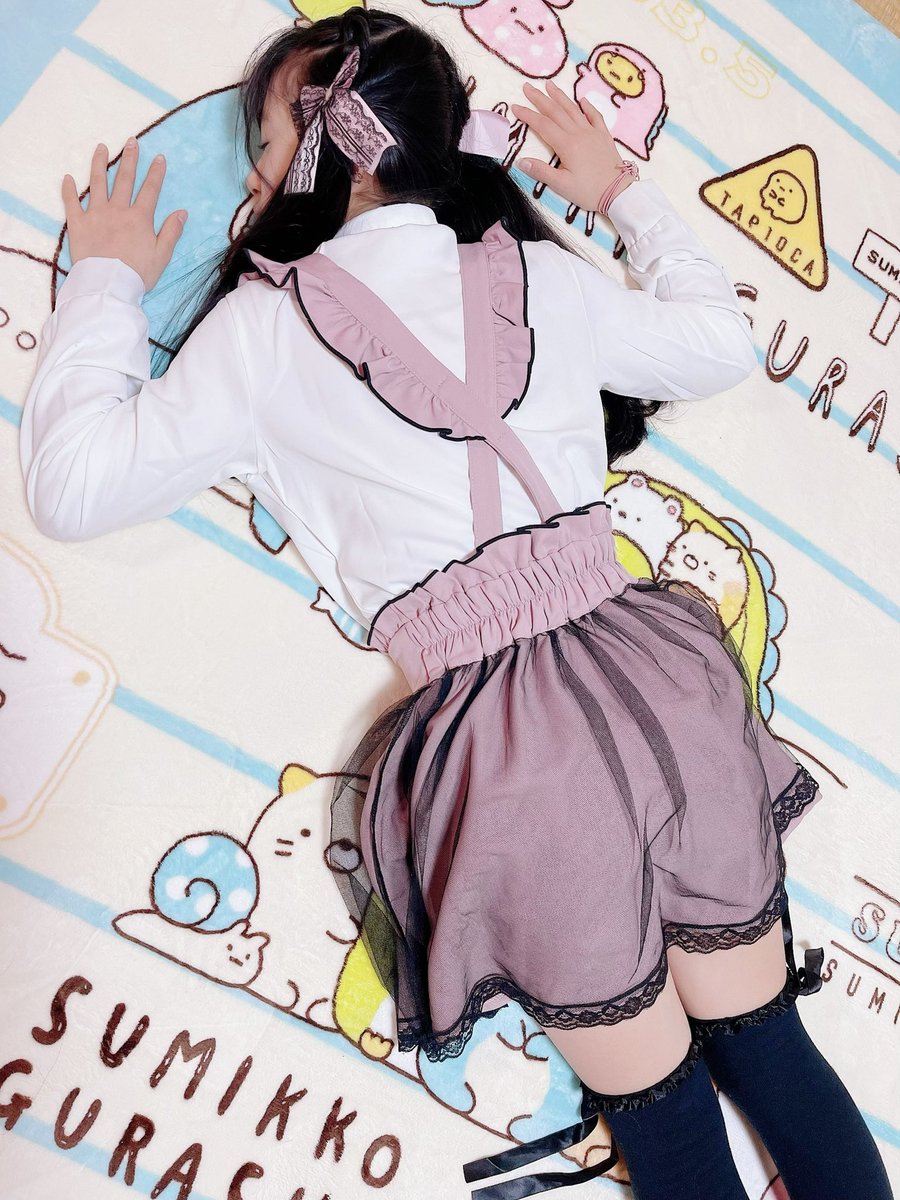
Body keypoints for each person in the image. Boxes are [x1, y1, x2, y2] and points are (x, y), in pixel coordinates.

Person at [19, 8, 893, 1200]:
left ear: (336, 146)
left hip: (511, 757)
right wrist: (624, 197)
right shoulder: (531, 272)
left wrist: (109, 283)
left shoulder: (263, 329)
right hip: (660, 682)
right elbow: (718, 345)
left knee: (670, 1119)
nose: (254, 173)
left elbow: (73, 488)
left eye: (264, 141)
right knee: (773, 1049)